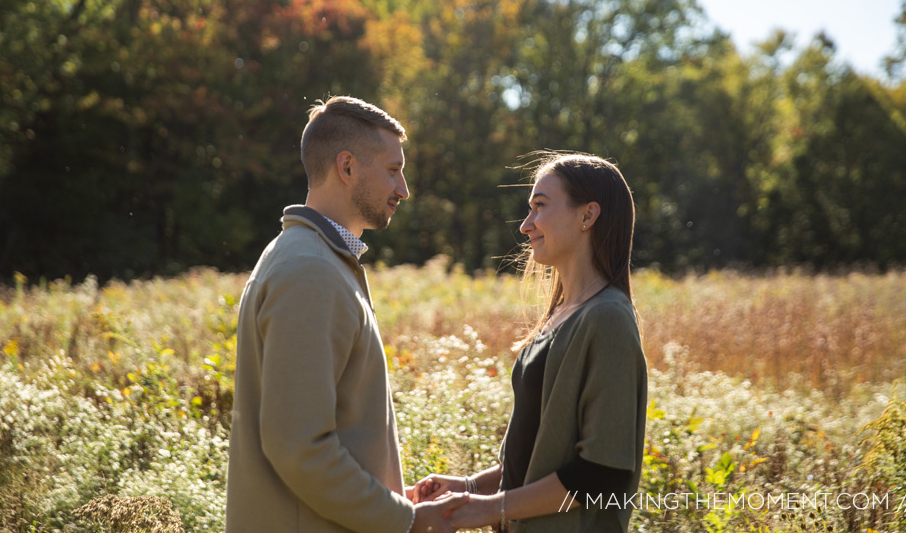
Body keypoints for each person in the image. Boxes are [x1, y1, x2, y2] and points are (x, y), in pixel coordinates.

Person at [226, 95, 467, 533]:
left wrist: (389, 496)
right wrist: (404, 519)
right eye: (393, 170)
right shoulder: (309, 271)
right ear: (348, 167)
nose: (404, 189)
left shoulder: (316, 260)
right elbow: (300, 449)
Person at [414, 153, 648, 532]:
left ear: (588, 216)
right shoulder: (559, 314)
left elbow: (600, 473)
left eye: (539, 207)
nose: (525, 226)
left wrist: (490, 509)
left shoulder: (607, 319)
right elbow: (538, 456)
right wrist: (471, 488)